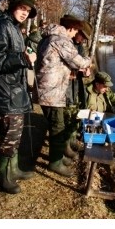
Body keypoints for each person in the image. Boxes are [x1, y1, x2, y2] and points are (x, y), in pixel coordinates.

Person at [0, 0, 37, 194]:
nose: (25, 13)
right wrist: (24, 59)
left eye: (28, 11)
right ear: (13, 5)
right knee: (8, 138)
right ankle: (4, 178)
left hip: (14, 92)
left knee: (14, 137)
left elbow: (13, 57)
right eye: (22, 8)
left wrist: (25, 56)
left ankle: (13, 170)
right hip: (5, 94)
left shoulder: (14, 28)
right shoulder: (2, 27)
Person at [36, 15, 92, 177]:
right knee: (57, 127)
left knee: (57, 125)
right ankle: (55, 163)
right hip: (51, 91)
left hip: (50, 90)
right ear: (71, 28)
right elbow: (79, 62)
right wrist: (88, 60)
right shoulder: (61, 40)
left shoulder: (49, 38)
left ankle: (58, 157)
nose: (75, 35)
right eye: (75, 31)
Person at [62, 21, 93, 159]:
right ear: (76, 31)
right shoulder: (65, 42)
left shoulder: (81, 47)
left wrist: (86, 71)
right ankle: (66, 144)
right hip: (66, 84)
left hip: (77, 84)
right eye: (81, 35)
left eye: (84, 38)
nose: (81, 39)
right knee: (67, 113)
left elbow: (84, 63)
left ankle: (73, 139)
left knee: (78, 111)